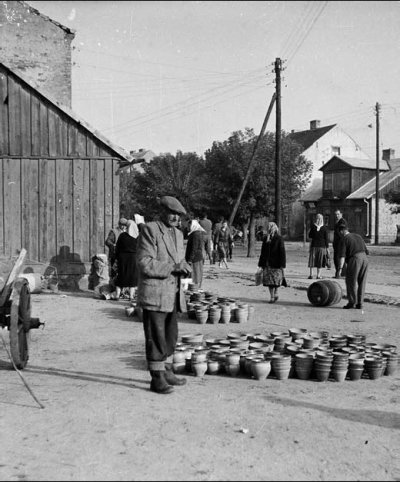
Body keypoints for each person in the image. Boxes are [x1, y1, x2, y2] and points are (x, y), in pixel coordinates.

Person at [136, 195, 192, 395]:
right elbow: (144, 262)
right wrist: (173, 268)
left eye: (179, 215)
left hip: (172, 293)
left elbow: (180, 260)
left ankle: (166, 369)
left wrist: (185, 267)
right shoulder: (150, 230)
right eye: (173, 214)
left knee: (170, 335)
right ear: (162, 212)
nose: (176, 218)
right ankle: (156, 377)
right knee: (156, 336)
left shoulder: (178, 234)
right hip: (155, 293)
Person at [337, 223, 369, 309]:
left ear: (342, 231)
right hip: (365, 258)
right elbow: (367, 251)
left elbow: (342, 256)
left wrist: (340, 269)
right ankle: (360, 303)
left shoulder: (344, 239)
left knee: (350, 281)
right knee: (362, 282)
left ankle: (352, 302)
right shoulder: (358, 236)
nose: (339, 234)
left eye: (339, 232)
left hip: (355, 259)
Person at [257, 222, 286, 303]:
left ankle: (276, 293)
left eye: (271, 227)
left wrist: (282, 264)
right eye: (269, 227)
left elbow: (282, 252)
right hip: (267, 263)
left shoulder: (279, 238)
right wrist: (261, 263)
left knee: (276, 281)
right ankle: (272, 296)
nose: (270, 229)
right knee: (269, 281)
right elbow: (262, 252)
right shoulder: (266, 238)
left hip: (276, 263)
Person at [113, 219, 140, 301]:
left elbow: (117, 248)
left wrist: (116, 258)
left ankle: (117, 295)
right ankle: (131, 296)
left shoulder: (122, 235)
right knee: (132, 277)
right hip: (133, 258)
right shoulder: (138, 237)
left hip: (122, 258)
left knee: (121, 275)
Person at [185, 218, 206, 288]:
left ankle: (194, 290)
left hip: (195, 259)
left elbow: (194, 248)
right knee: (195, 275)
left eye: (189, 226)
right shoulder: (195, 233)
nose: (188, 227)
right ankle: (194, 289)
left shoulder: (195, 234)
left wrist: (190, 260)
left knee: (194, 275)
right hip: (196, 258)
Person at [307, 213, 329, 279]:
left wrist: (327, 248)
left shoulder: (320, 227)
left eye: (319, 218)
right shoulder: (317, 227)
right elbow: (310, 236)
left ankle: (315, 275)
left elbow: (326, 239)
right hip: (317, 246)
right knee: (315, 260)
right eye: (317, 218)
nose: (318, 220)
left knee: (316, 260)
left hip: (318, 246)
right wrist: (327, 248)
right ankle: (315, 275)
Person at [333, 209, 347, 278]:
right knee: (336, 258)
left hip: (341, 242)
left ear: (341, 214)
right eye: (335, 214)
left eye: (338, 214)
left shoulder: (342, 221)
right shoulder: (336, 222)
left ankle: (340, 273)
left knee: (338, 258)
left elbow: (342, 232)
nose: (337, 216)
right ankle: (340, 273)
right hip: (336, 242)